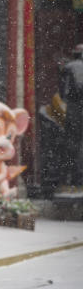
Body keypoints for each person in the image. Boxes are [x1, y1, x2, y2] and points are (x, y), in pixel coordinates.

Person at [58, 44, 83, 188]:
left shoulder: (68, 67)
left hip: (73, 108)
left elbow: (63, 92)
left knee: (72, 143)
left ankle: (73, 178)